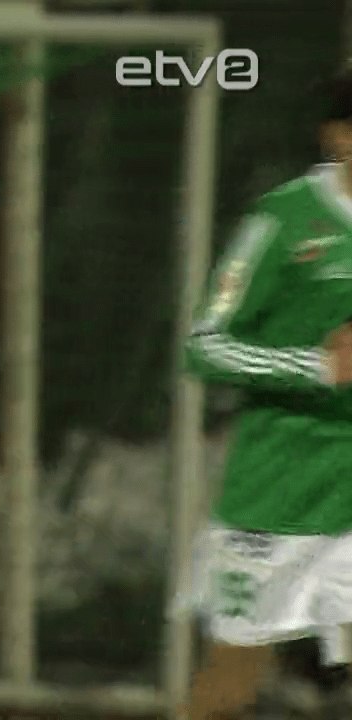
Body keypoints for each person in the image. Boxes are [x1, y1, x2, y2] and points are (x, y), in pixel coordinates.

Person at [179, 64, 352, 720]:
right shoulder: (284, 218)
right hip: (281, 484)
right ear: (339, 136)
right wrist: (317, 367)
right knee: (230, 683)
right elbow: (206, 345)